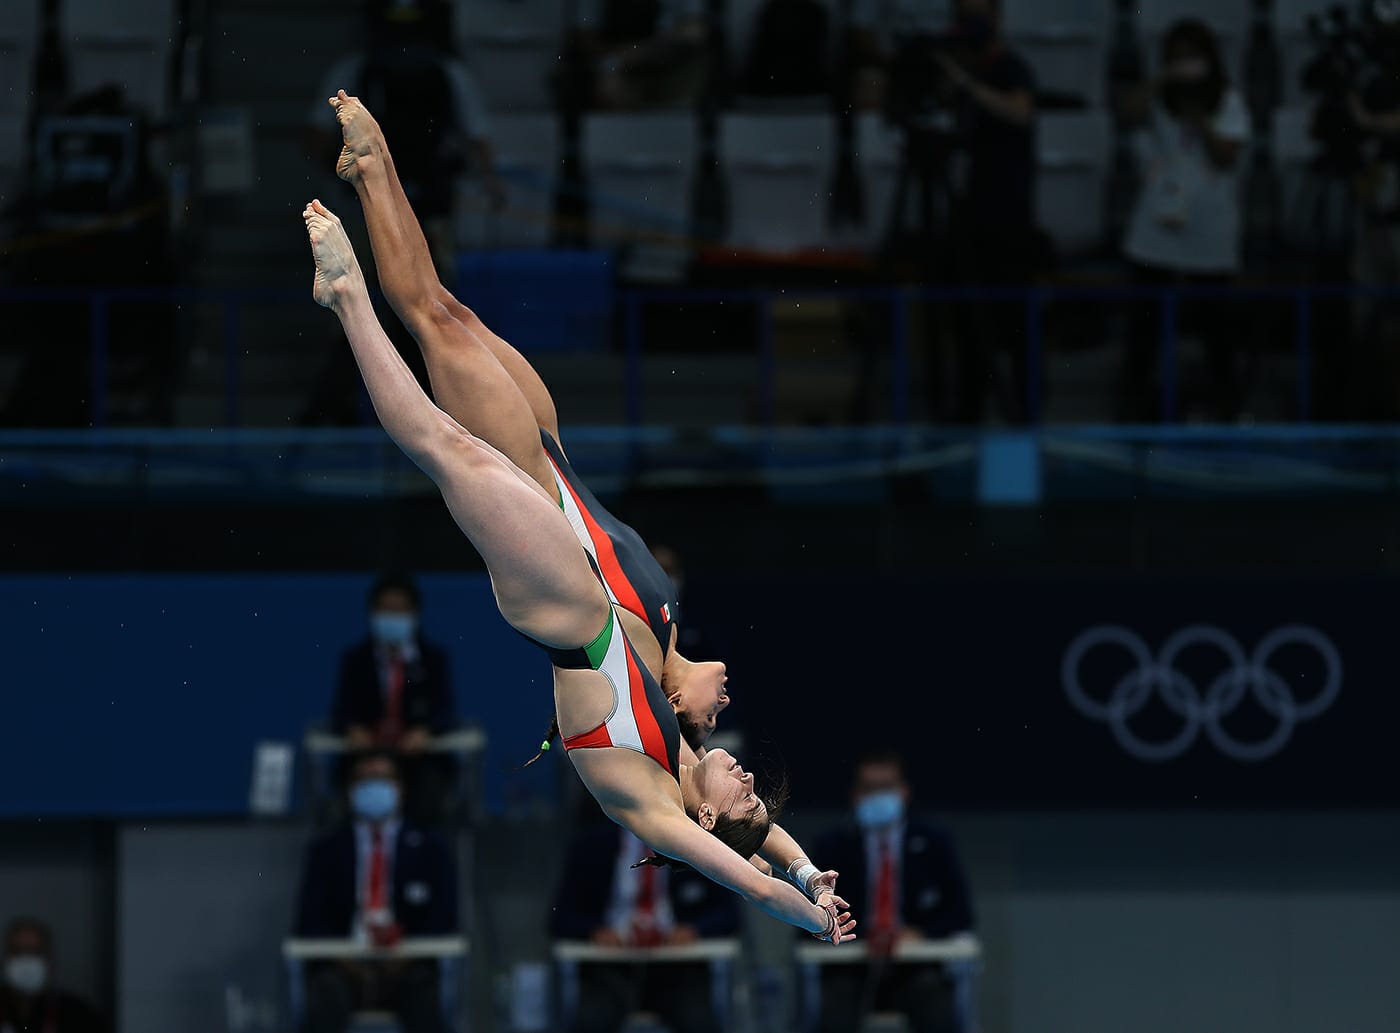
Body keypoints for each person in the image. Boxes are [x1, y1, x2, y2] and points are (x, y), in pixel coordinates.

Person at [324, 91, 843, 898]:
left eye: (738, 785)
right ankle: (373, 169)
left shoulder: (657, 796)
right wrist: (809, 867)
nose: (741, 767)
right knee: (446, 314)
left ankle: (349, 296)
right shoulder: (667, 645)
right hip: (552, 459)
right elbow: (764, 832)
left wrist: (808, 912)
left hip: (548, 563)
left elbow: (747, 868)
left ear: (705, 813)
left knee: (443, 435)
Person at [1118, 19, 1250, 421]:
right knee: (1145, 326)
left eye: (1192, 57)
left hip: (1208, 226)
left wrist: (1202, 122)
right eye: (1177, 57)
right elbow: (1128, 112)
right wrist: (1161, 79)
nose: (1185, 65)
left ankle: (1226, 411)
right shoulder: (1158, 99)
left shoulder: (1229, 101)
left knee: (1216, 328)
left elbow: (1227, 156)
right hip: (1159, 223)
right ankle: (1134, 412)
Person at [811, 748, 974, 1033]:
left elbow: (960, 914)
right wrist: (857, 935)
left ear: (905, 792)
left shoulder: (935, 842)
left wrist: (920, 934)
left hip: (916, 965)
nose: (878, 797)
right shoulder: (832, 846)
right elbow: (807, 917)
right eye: (870, 789)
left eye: (886, 788)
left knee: (935, 1004)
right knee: (834, 1011)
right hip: (852, 964)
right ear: (855, 795)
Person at [294, 751, 458, 1033]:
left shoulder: (432, 849)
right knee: (324, 991)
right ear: (349, 790)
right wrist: (345, 959)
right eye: (366, 779)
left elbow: (444, 918)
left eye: (383, 778)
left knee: (422, 989)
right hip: (343, 966)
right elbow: (309, 920)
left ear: (401, 789)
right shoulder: (326, 850)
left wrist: (405, 955)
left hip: (407, 964)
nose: (375, 785)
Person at [550, 814, 741, 1033]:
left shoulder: (697, 842)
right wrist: (593, 931)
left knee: (699, 1022)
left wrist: (695, 929)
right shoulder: (591, 844)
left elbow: (728, 914)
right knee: (590, 1022)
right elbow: (560, 917)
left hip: (680, 969)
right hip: (609, 968)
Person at [330, 571, 456, 822]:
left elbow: (445, 711)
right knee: (353, 785)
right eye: (386, 609)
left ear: (414, 614)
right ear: (372, 612)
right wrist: (353, 728)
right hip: (367, 754)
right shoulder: (356, 660)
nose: (392, 617)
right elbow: (340, 711)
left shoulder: (432, 660)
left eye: (400, 610)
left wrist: (425, 731)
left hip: (416, 759)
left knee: (427, 793)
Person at [0, 917, 105, 1033]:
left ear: (50, 960)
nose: (26, 960)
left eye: (34, 952)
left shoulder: (78, 1014)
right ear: (5, 959)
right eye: (18, 951)